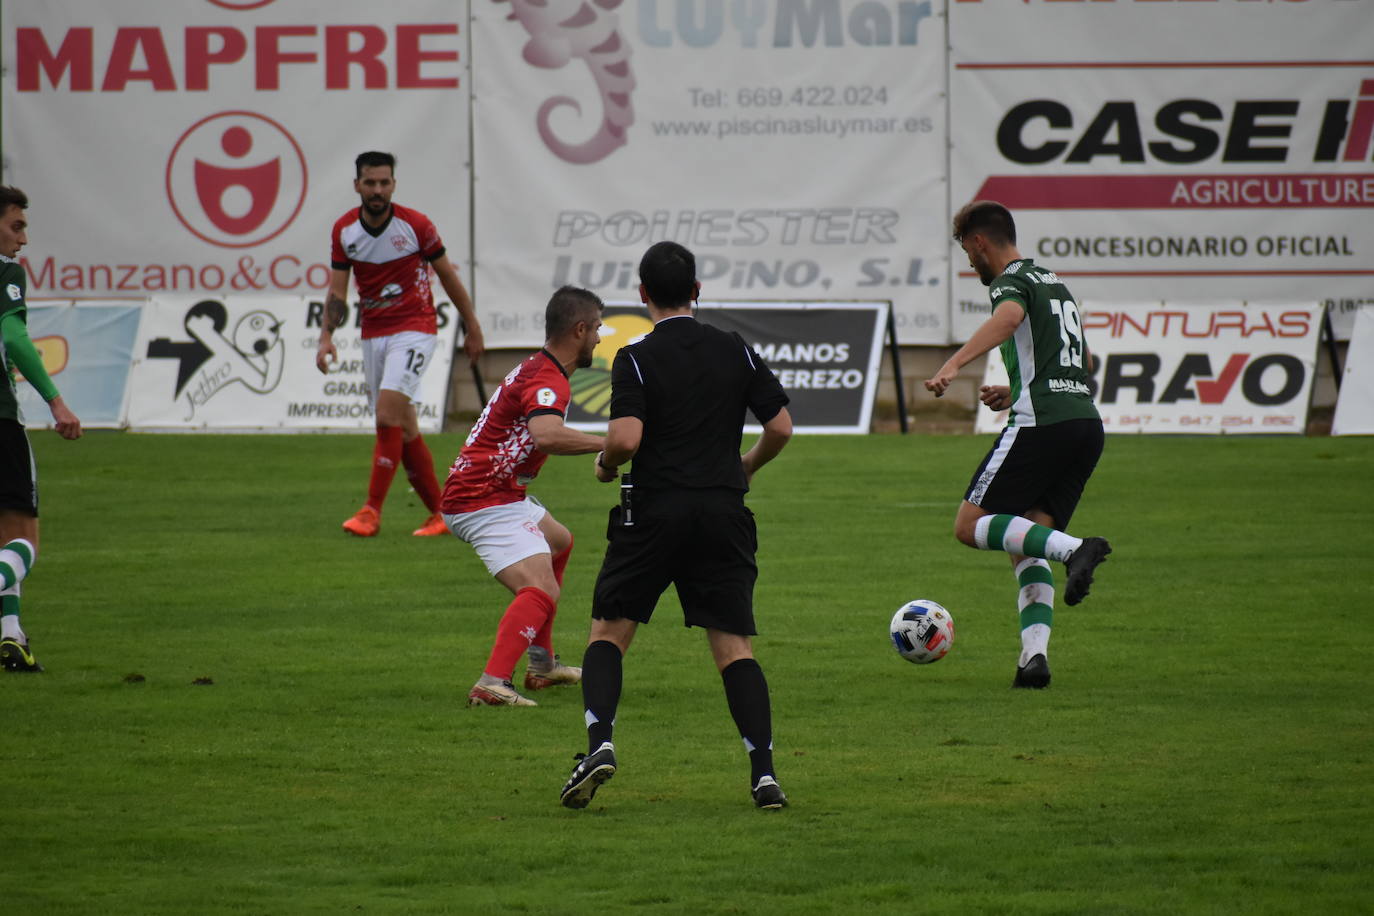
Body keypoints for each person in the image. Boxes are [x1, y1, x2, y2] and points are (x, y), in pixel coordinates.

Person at [559, 241, 794, 811]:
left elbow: (626, 440)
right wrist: (745, 466)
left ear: (642, 296)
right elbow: (781, 427)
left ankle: (600, 744)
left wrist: (606, 463)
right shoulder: (734, 349)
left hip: (654, 510)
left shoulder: (635, 356)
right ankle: (763, 774)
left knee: (609, 632)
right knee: (733, 646)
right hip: (721, 510)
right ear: (697, 290)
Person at [924, 200, 1112, 690]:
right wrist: (1022, 388)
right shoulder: (1055, 284)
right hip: (1084, 426)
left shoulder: (1012, 282)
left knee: (970, 526)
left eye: (966, 249)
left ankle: (1076, 550)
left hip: (1042, 425)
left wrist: (954, 364)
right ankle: (1034, 659)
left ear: (979, 241)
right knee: (1025, 540)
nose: (968, 261)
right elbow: (1082, 359)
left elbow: (1007, 319)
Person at [441, 286, 608, 707]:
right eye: (598, 330)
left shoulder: (540, 367)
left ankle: (542, 665)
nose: (601, 339)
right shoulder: (548, 378)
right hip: (482, 498)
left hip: (497, 492)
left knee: (559, 542)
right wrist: (608, 444)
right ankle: (492, 682)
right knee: (541, 588)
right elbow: (546, 435)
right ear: (580, 329)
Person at [316, 151, 485, 538]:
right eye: (370, 183)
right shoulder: (345, 231)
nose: (377, 190)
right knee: (404, 427)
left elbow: (447, 278)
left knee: (387, 415)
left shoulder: (416, 226)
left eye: (384, 182)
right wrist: (326, 337)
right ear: (357, 185)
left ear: (393, 184)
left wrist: (471, 325)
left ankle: (370, 512)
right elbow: (338, 293)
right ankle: (441, 514)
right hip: (374, 334)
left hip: (416, 328)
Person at [0, 186, 82, 672]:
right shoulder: (5, 272)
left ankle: (11, 636)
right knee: (24, 541)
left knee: (3, 540)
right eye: (16, 226)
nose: (23, 239)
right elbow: (13, 337)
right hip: (2, 421)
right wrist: (57, 402)